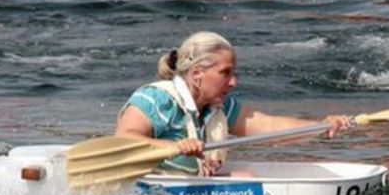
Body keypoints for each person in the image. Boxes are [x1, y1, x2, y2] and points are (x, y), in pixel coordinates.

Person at [115, 31, 352, 176]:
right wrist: (174, 145)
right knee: (245, 180)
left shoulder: (220, 107)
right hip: (148, 189)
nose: (233, 82)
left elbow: (269, 127)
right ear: (197, 74)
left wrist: (321, 126)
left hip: (187, 187)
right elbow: (123, 139)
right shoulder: (156, 99)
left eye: (233, 73)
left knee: (244, 178)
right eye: (225, 73)